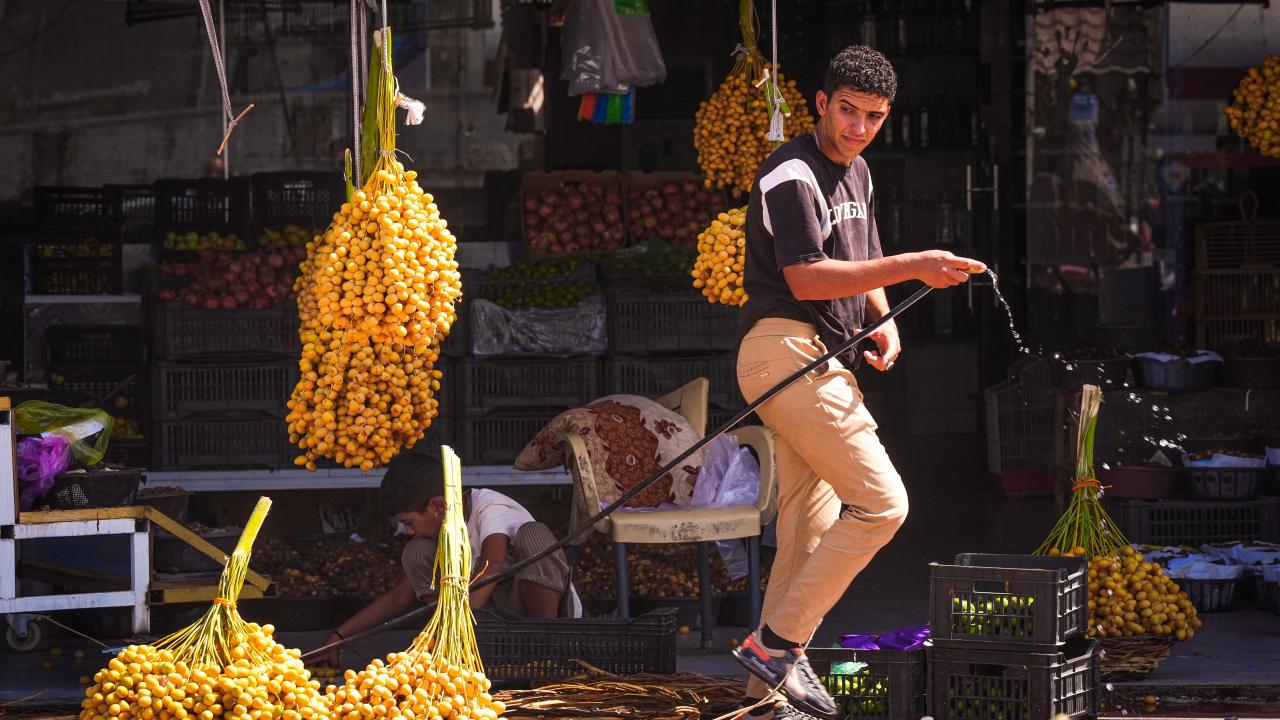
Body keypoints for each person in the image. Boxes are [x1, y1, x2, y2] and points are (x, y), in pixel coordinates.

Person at [730, 46, 986, 720]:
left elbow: (861, 257)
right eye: (847, 111)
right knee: (881, 504)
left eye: (873, 117)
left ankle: (762, 702)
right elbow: (809, 276)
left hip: (821, 357)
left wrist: (883, 321)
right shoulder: (791, 174)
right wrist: (917, 266)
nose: (858, 127)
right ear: (821, 103)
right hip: (783, 351)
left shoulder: (860, 172)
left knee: (806, 537)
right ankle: (778, 648)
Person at [317, 451, 582, 666]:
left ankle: (548, 653)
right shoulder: (440, 536)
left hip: (537, 618)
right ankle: (455, 645)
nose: (408, 532)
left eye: (409, 522)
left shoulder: (490, 507)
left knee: (533, 534)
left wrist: (459, 619)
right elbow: (401, 596)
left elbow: (493, 564)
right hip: (492, 628)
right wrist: (340, 636)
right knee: (417, 551)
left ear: (438, 506)